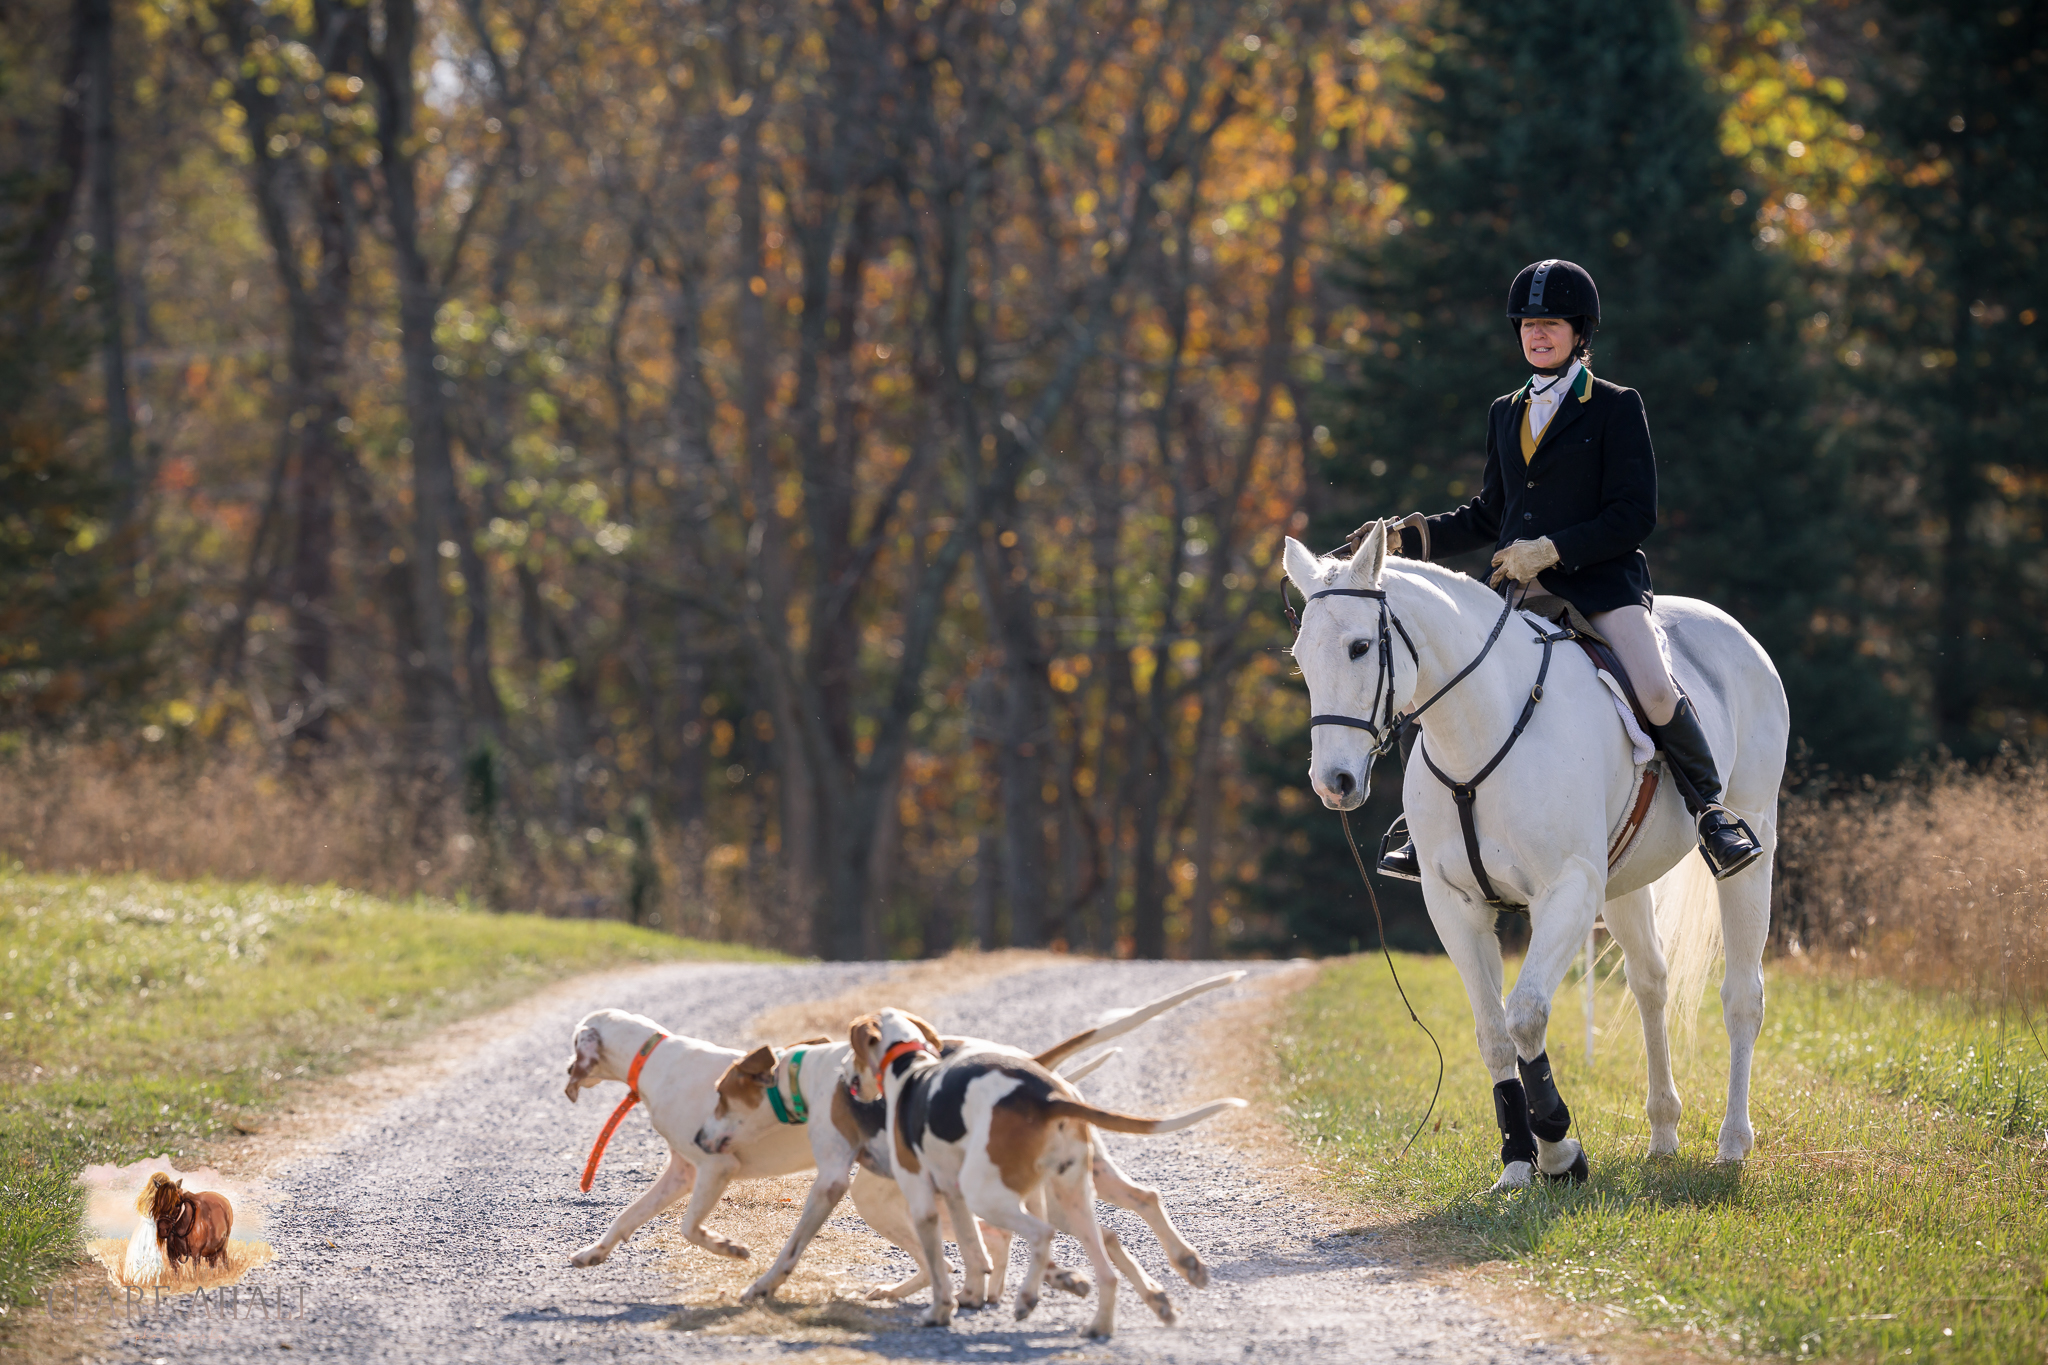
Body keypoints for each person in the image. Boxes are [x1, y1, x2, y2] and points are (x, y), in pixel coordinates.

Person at [1351, 258, 1764, 882]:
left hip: (1600, 585)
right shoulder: (1504, 411)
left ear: (1579, 333)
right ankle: (1421, 827)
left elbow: (1634, 514)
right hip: (1519, 592)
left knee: (1653, 688)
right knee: (1432, 677)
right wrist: (1412, 535)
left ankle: (1711, 813)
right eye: (1528, 325)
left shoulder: (1616, 407)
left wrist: (1552, 549)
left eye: (1551, 325)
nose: (1537, 336)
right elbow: (1491, 513)